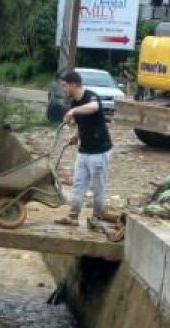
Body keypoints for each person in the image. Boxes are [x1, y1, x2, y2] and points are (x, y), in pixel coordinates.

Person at [54, 70, 113, 231]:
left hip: (99, 151)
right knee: (78, 185)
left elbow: (94, 108)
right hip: (84, 150)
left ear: (73, 85)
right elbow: (85, 124)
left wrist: (73, 111)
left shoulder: (91, 96)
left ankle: (97, 218)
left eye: (65, 86)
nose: (64, 89)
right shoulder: (74, 102)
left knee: (98, 187)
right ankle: (73, 216)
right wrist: (77, 135)